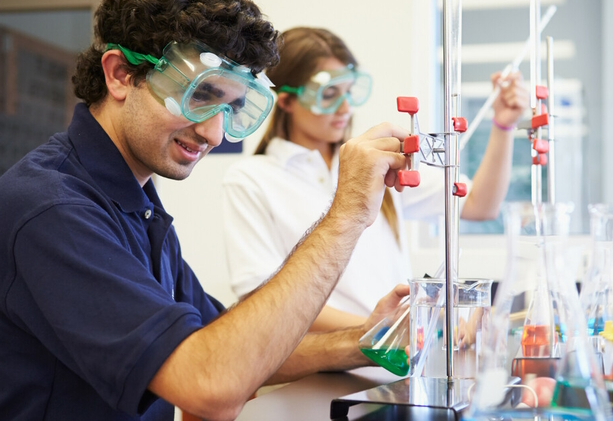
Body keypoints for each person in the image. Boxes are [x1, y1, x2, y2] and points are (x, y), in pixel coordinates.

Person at [0, 0, 412, 420]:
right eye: (200, 96)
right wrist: (346, 215)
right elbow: (211, 381)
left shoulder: (137, 201)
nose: (214, 132)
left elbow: (228, 344)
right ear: (120, 75)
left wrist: (366, 342)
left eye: (231, 107)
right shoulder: (50, 208)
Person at [223, 27, 527, 331]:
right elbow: (260, 300)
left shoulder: (372, 163)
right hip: (327, 371)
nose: (345, 108)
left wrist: (502, 126)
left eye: (348, 92)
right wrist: (385, 331)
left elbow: (479, 205)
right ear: (286, 100)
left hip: (398, 362)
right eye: (328, 95)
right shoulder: (252, 180)